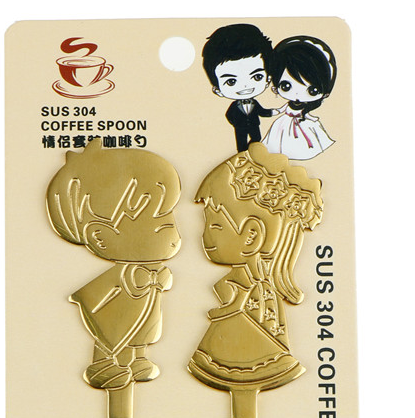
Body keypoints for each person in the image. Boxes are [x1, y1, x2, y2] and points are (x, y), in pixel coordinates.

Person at [46, 139, 182, 390]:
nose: (174, 237)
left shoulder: (152, 269)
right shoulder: (118, 275)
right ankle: (104, 364)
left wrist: (159, 280)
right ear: (101, 237)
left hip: (145, 302)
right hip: (117, 305)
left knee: (142, 331)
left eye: (170, 223)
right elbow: (96, 298)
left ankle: (138, 359)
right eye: (161, 227)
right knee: (111, 331)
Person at [188, 143, 324, 393]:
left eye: (215, 225)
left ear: (251, 236)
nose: (203, 236)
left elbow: (239, 311)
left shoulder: (251, 294)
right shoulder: (253, 288)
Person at [202, 24, 277, 152]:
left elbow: (262, 111)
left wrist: (276, 111)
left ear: (268, 80)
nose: (245, 86)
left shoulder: (255, 103)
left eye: (257, 77)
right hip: (240, 128)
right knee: (241, 144)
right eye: (231, 81)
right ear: (217, 90)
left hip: (254, 126)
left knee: (257, 141)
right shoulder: (234, 107)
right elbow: (229, 115)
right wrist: (237, 123)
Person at [263, 36, 337, 161]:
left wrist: (312, 119)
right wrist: (271, 112)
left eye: (312, 90)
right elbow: (280, 110)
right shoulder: (287, 109)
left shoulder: (306, 113)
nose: (297, 94)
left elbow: (307, 115)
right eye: (286, 86)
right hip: (284, 126)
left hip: (304, 126)